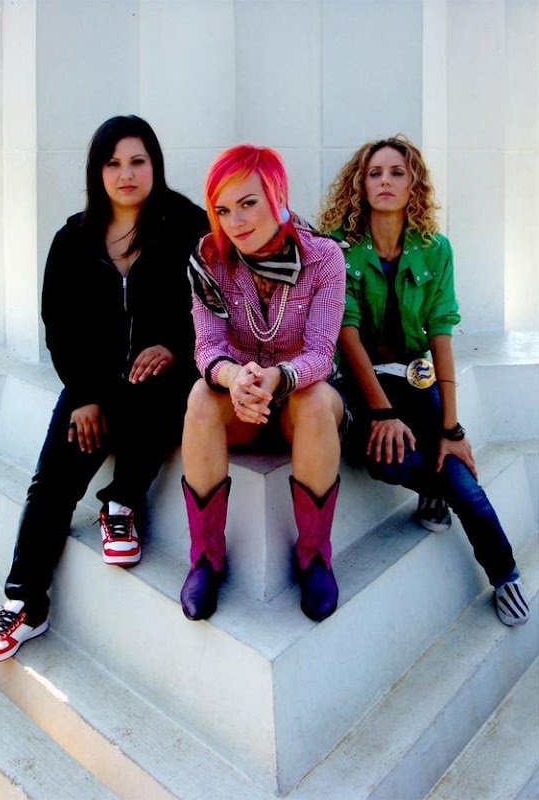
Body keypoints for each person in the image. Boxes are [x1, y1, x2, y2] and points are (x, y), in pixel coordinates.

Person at [0, 115, 208, 663]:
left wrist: (176, 346)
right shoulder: (73, 239)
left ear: (155, 165)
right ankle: (23, 603)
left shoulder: (186, 225)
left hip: (162, 378)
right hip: (94, 385)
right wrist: (83, 395)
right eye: (113, 163)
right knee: (51, 483)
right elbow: (58, 325)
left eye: (138, 161)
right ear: (97, 172)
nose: (126, 174)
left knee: (169, 388)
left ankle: (122, 501)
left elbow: (213, 303)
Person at [318, 134, 529, 627]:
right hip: (364, 385)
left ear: (414, 184)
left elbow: (441, 333)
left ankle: (505, 575)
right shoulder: (337, 250)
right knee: (386, 459)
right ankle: (434, 489)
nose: (385, 182)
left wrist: (452, 428)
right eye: (375, 173)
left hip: (418, 380)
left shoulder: (436, 250)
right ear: (359, 184)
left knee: (461, 478)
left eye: (397, 172)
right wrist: (382, 413)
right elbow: (346, 332)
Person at [180, 144, 347, 623]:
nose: (235, 222)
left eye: (248, 203)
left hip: (298, 404)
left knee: (314, 400)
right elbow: (207, 348)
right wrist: (235, 377)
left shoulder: (323, 259)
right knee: (200, 396)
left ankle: (314, 558)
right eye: (222, 210)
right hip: (242, 404)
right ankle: (206, 559)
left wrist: (277, 378)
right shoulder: (210, 261)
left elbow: (321, 352)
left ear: (277, 196)